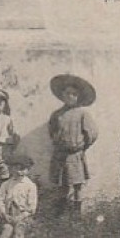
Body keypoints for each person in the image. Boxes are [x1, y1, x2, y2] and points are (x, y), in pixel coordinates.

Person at [48, 74, 98, 215]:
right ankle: (60, 214)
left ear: (78, 97)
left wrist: (82, 146)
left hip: (75, 155)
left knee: (77, 185)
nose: (70, 97)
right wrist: (58, 142)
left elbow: (92, 133)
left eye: (74, 94)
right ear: (62, 95)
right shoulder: (57, 114)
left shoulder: (82, 114)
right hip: (60, 155)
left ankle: (77, 214)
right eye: (67, 93)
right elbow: (52, 131)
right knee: (62, 184)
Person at [0, 154, 38, 238]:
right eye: (16, 168)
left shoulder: (30, 185)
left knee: (19, 230)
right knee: (6, 230)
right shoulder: (6, 184)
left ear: (28, 170)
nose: (19, 172)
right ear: (11, 169)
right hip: (8, 216)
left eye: (23, 169)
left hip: (23, 216)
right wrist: (4, 213)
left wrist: (21, 217)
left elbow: (32, 208)